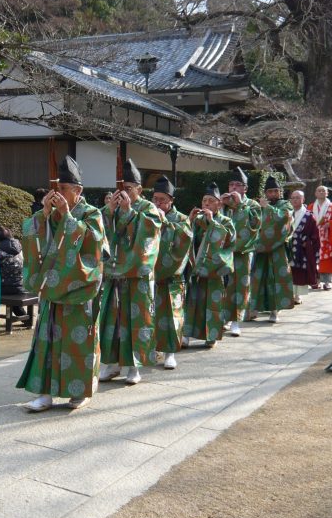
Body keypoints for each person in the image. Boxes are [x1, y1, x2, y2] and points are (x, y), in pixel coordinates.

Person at [16, 156, 104, 411]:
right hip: (53, 287)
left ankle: (78, 391)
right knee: (47, 340)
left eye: (64, 189)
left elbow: (94, 244)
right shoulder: (52, 214)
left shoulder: (92, 214)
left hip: (79, 286)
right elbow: (34, 234)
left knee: (77, 340)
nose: (59, 194)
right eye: (57, 188)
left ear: (78, 191)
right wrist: (43, 214)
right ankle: (44, 393)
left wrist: (67, 216)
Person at [98, 159, 163, 385]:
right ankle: (112, 363)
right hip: (114, 273)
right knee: (111, 320)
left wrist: (128, 211)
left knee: (136, 319)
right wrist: (109, 212)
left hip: (137, 275)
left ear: (139, 189)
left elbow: (150, 233)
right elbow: (98, 231)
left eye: (127, 188)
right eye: (120, 189)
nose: (122, 193)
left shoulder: (148, 208)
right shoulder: (111, 208)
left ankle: (135, 366)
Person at [182, 182, 235, 347]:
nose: (206, 204)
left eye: (210, 201)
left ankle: (211, 336)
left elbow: (229, 240)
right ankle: (186, 334)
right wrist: (189, 221)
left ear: (219, 203)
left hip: (215, 269)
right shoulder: (198, 220)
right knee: (192, 301)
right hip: (197, 267)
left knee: (213, 302)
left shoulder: (225, 221)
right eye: (204, 200)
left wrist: (212, 224)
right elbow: (187, 239)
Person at [152, 175, 193, 368]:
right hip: (150, 275)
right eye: (155, 199)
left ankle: (170, 352)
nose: (158, 203)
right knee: (150, 315)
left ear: (171, 200)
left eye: (163, 199)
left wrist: (166, 223)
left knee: (172, 315)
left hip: (172, 277)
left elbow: (183, 242)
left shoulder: (182, 219)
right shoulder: (148, 215)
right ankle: (153, 349)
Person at [220, 167, 261, 337]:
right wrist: (220, 205)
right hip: (223, 251)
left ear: (245, 188)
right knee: (223, 285)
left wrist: (241, 205)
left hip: (243, 251)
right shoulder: (225, 203)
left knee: (240, 285)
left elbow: (255, 226)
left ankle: (236, 320)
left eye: (238, 185)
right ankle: (224, 317)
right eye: (231, 185)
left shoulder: (253, 205)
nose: (234, 188)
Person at [248, 175, 293, 323]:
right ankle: (254, 309)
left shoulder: (286, 205)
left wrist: (267, 208)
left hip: (278, 248)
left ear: (280, 192)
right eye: (270, 191)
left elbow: (283, 218)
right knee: (258, 278)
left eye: (276, 191)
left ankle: (275, 311)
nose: (273, 194)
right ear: (265, 193)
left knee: (276, 279)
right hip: (260, 248)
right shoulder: (258, 205)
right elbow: (252, 222)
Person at [307, 185, 332, 291]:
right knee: (313, 259)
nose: (321, 192)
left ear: (327, 193)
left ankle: (327, 282)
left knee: (328, 260)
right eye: (319, 191)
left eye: (323, 191)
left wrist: (330, 224)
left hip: (327, 237)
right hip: (314, 237)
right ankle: (315, 281)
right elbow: (306, 220)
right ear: (315, 193)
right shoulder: (311, 206)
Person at [289, 190, 320, 304]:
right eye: (293, 198)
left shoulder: (309, 216)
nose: (295, 200)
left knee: (300, 272)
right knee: (290, 271)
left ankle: (298, 295)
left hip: (302, 249)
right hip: (289, 248)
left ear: (303, 200)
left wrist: (307, 243)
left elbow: (315, 235)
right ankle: (289, 294)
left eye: (297, 197)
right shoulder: (287, 213)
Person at [0, 226, 26, 316]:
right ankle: (24, 318)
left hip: (4, 288)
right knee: (15, 304)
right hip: (20, 286)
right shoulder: (19, 248)